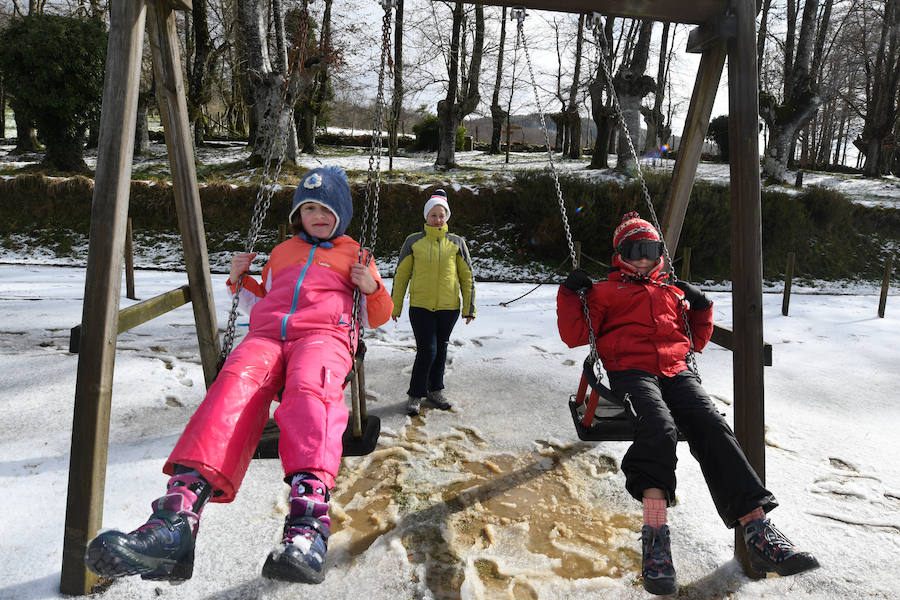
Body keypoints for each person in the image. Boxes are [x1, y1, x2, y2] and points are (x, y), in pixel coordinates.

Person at [84, 166, 393, 585]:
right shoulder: (282, 253)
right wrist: (237, 279)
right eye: (310, 208)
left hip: (324, 337)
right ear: (297, 215)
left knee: (309, 390)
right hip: (267, 335)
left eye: (328, 209)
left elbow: (378, 316)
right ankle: (175, 522)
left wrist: (372, 287)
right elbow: (261, 303)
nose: (319, 215)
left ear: (342, 214)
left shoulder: (356, 254)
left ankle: (308, 525)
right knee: (231, 388)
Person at [556, 211, 819, 595]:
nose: (644, 258)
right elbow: (575, 334)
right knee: (659, 429)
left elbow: (695, 342)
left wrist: (702, 308)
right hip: (631, 371)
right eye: (635, 250)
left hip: (677, 370)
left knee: (713, 425)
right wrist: (570, 294)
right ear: (620, 254)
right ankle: (656, 539)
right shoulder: (605, 292)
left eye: (650, 249)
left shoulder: (670, 290)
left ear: (660, 252)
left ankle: (758, 531)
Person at [391, 189, 476, 416]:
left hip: (449, 309)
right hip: (421, 307)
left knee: (441, 350)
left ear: (446, 217)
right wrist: (395, 305)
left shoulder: (457, 243)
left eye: (441, 215)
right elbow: (401, 276)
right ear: (426, 216)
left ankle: (435, 389)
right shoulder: (414, 241)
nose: (437, 219)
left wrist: (469, 307)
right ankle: (416, 394)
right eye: (433, 215)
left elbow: (467, 276)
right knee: (427, 350)